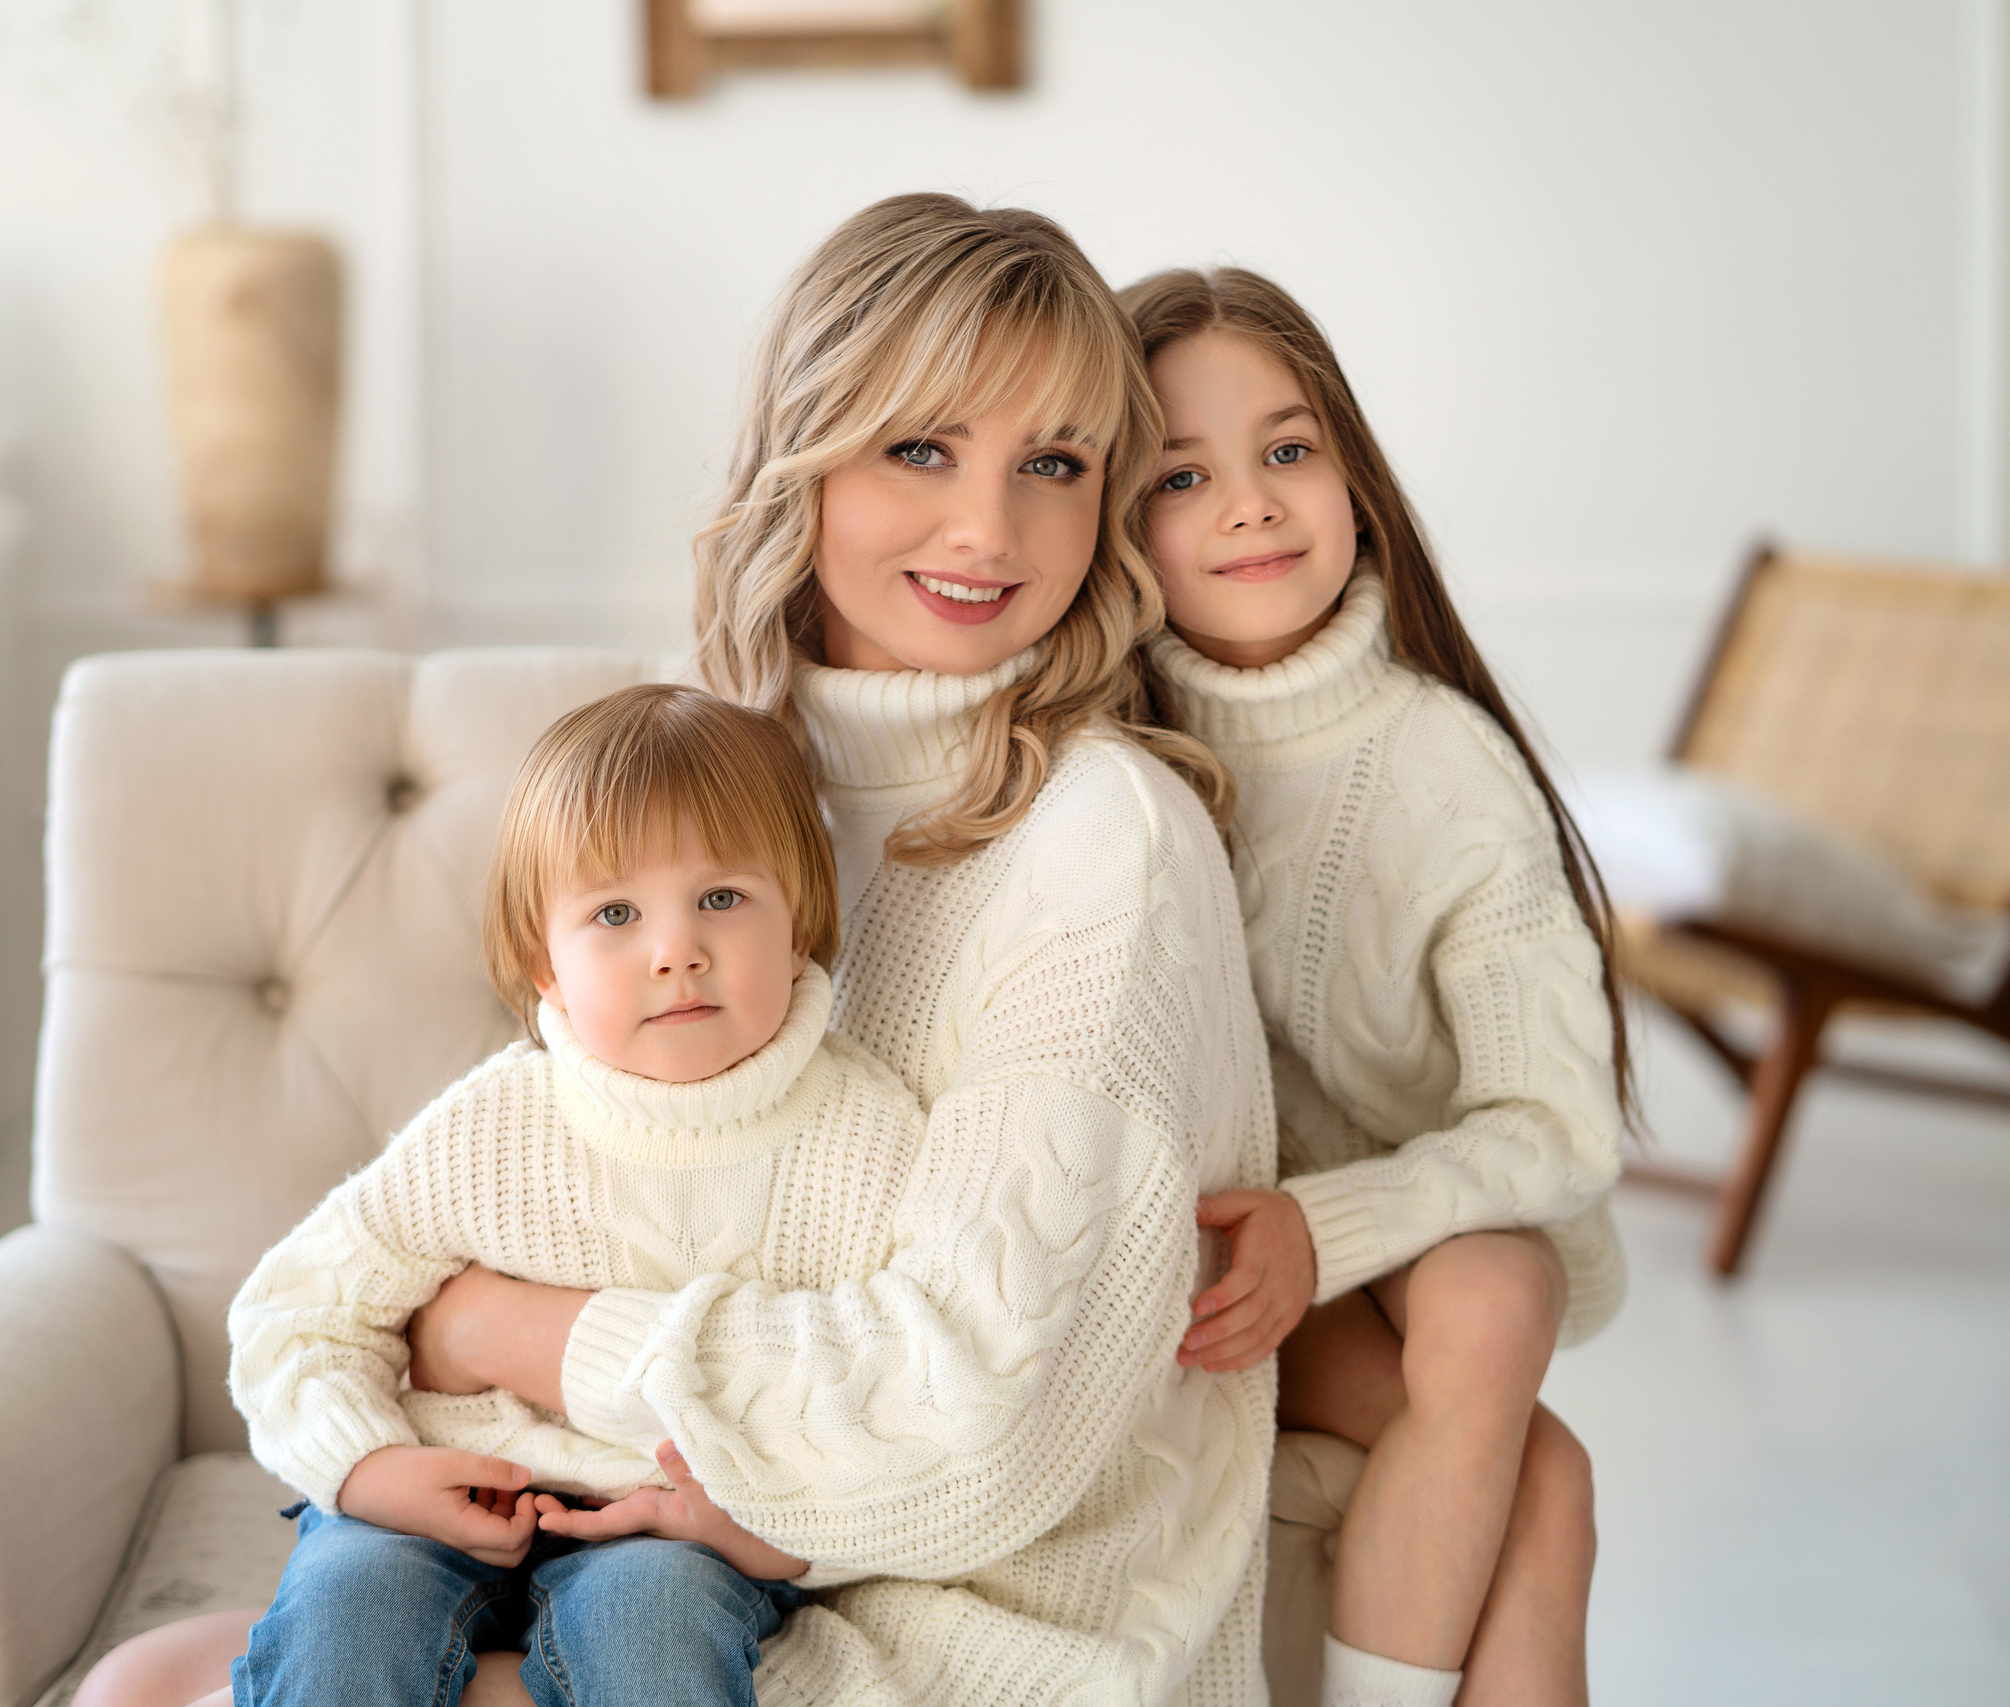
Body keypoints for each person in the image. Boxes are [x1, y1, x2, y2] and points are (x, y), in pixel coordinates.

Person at [84, 192, 1279, 1707]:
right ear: (808, 451)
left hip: (963, 1585)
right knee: (168, 1675)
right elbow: (574, 1160)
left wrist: (510, 1327)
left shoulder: (1106, 835)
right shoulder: (729, 764)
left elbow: (974, 1417)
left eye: (1052, 463)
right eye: (921, 446)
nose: (990, 529)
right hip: (677, 1515)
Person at [208, 682, 944, 1707]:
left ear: (802, 921)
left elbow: (897, 1394)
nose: (674, 949)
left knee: (654, 1635)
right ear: (541, 967)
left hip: (676, 1529)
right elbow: (295, 1314)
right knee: (348, 1616)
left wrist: (764, 1532)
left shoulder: (869, 1140)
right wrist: (369, 1466)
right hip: (439, 1484)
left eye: (722, 899)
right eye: (614, 913)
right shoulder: (495, 1124)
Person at [1119, 265, 1627, 1707]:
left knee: (1497, 1282)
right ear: (1117, 518)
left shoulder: (1441, 761)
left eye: (1289, 449)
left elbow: (1563, 1119)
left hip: (1386, 1239)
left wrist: (1326, 1223)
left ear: (1353, 470)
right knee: (1554, 1475)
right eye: (1181, 473)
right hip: (1196, 1249)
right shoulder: (1108, 749)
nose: (1253, 504)